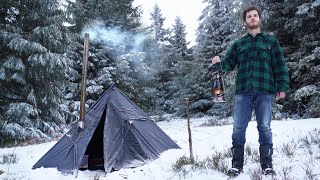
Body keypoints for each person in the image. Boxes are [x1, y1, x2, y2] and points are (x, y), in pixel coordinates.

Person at [211, 5, 289, 176]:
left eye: (255, 15)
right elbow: (228, 64)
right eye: (249, 16)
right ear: (245, 21)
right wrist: (218, 62)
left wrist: (282, 86)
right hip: (243, 91)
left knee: (264, 127)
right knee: (238, 127)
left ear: (259, 18)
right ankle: (236, 164)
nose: (252, 18)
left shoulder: (271, 42)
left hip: (265, 90)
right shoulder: (239, 44)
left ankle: (267, 165)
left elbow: (279, 66)